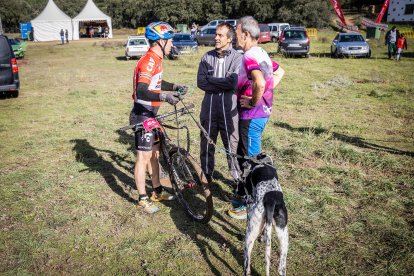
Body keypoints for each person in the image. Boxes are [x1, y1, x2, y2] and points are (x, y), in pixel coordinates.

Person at [228, 16, 285, 219]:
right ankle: (246, 195)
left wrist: (253, 101)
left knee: (251, 161)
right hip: (261, 114)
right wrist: (264, 97)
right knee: (249, 156)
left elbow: (259, 83)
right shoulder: (261, 52)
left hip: (252, 115)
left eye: (235, 32)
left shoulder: (249, 56)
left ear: (245, 34)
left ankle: (251, 205)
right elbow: (279, 72)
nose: (234, 36)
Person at [130, 21, 188, 214]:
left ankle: (157, 191)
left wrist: (173, 87)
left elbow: (157, 81)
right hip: (142, 114)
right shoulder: (149, 61)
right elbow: (142, 90)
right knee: (143, 157)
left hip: (152, 114)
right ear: (160, 41)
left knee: (155, 154)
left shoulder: (157, 59)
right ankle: (142, 198)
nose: (171, 43)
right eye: (169, 40)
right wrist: (164, 96)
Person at [197, 22, 243, 184]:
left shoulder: (238, 58)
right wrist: (222, 81)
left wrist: (212, 80)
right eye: (216, 34)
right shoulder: (206, 57)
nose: (216, 38)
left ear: (229, 39)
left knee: (232, 146)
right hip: (209, 111)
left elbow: (233, 83)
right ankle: (207, 175)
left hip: (229, 112)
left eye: (220, 35)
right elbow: (201, 83)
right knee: (206, 144)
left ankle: (237, 180)